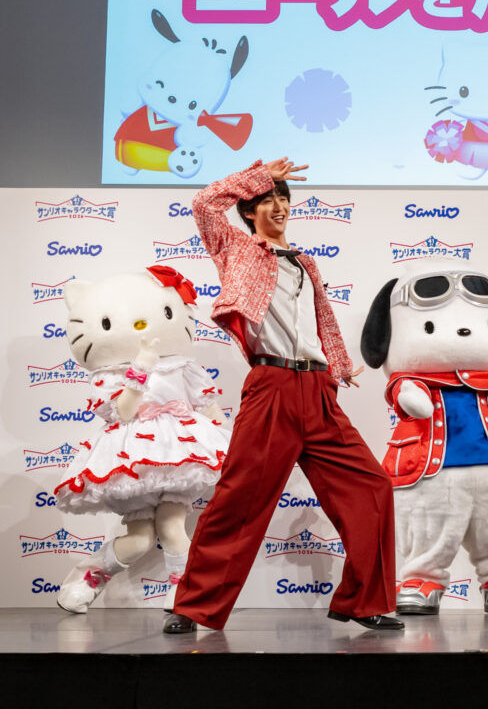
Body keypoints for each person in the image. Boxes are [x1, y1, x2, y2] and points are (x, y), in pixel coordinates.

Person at [163, 157, 401, 633]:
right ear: (248, 211)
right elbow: (204, 204)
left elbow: (318, 320)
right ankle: (193, 608)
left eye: (283, 198)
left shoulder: (306, 263)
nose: (279, 206)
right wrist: (259, 176)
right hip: (271, 386)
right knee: (239, 499)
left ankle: (364, 601)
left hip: (317, 389)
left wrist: (337, 365)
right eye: (268, 200)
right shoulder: (236, 248)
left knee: (372, 488)